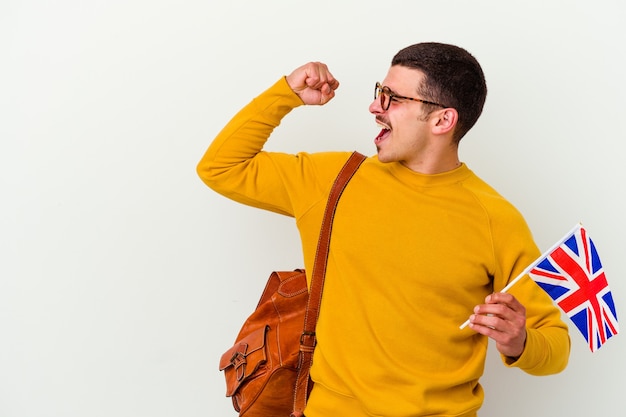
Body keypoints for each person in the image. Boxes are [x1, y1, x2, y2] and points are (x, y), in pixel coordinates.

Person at [197, 42, 570, 417]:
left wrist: (519, 342)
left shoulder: (495, 218)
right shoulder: (334, 181)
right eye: (380, 92)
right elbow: (219, 168)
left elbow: (556, 346)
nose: (376, 107)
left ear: (442, 120)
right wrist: (286, 94)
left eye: (392, 98)